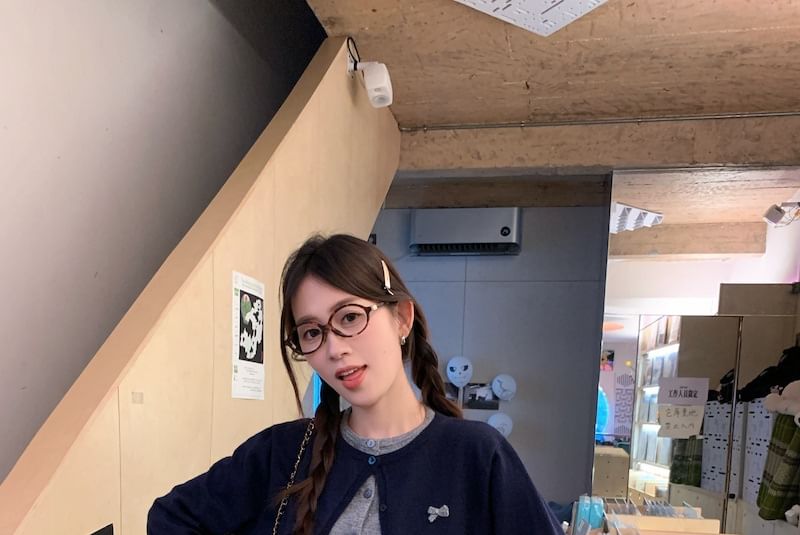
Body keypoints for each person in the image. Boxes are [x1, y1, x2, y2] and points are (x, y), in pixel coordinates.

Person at [148, 234, 561, 534]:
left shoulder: (477, 457)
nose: (334, 349)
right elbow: (172, 518)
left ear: (401, 318)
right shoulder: (282, 452)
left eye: (349, 317)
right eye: (312, 332)